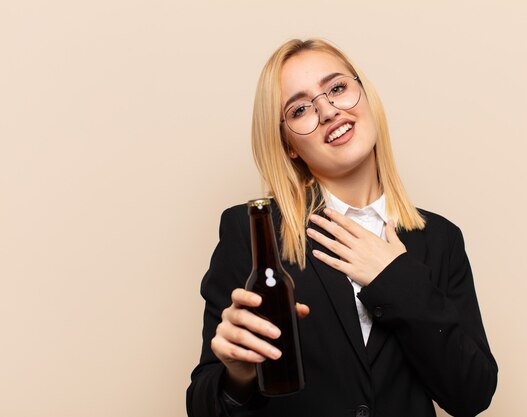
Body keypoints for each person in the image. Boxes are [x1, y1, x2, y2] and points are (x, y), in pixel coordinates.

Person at [187, 38, 498, 417]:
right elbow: (203, 407)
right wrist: (237, 375)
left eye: (337, 88)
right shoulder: (252, 231)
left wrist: (395, 278)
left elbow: (472, 394)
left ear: (364, 95)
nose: (329, 111)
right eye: (300, 109)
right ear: (288, 144)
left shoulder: (440, 238)